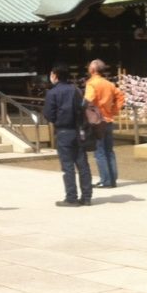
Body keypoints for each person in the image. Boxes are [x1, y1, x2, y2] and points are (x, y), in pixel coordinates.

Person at [43, 65, 93, 207]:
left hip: (63, 131)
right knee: (83, 164)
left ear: (55, 75)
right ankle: (87, 196)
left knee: (68, 166)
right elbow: (82, 108)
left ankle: (71, 197)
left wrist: (57, 120)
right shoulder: (76, 90)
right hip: (78, 130)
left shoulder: (52, 93)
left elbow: (48, 114)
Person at [85, 59, 123, 189]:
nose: (88, 68)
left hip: (97, 121)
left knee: (99, 152)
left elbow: (88, 99)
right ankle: (112, 179)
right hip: (108, 119)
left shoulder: (91, 84)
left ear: (93, 70)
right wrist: (114, 110)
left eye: (90, 66)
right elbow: (120, 97)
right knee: (109, 151)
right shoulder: (109, 84)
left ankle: (105, 180)